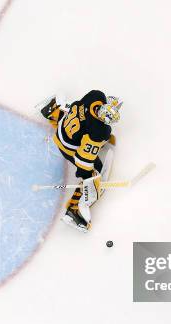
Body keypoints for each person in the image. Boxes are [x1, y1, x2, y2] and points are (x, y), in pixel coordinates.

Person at [39, 90, 121, 232]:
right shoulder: (99, 131)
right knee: (94, 176)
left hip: (62, 127)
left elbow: (81, 114)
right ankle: (75, 211)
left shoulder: (96, 96)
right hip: (66, 147)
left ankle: (51, 109)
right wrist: (86, 175)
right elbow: (84, 158)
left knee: (77, 119)